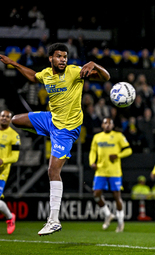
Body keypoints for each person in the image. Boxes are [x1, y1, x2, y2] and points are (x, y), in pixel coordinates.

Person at [0, 43, 110, 236]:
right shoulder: (46, 74)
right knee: (16, 119)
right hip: (51, 120)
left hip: (66, 129)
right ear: (50, 58)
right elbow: (34, 77)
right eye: (59, 56)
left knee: (53, 170)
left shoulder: (75, 72)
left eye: (65, 57)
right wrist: (12, 63)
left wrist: (94, 64)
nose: (63, 60)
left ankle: (53, 220)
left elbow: (106, 77)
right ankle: (48, 133)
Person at [89, 117, 132, 232]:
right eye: (105, 123)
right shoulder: (97, 137)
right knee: (96, 194)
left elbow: (128, 150)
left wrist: (117, 155)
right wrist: (92, 162)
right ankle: (108, 214)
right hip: (101, 170)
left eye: (110, 123)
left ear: (113, 126)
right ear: (102, 125)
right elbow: (93, 151)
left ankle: (120, 223)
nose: (107, 125)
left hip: (114, 171)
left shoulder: (118, 136)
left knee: (117, 196)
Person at [0, 110, 20, 235]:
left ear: (10, 119)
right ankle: (9, 217)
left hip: (2, 173)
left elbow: (15, 157)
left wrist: (3, 160)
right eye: (2, 116)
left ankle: (9, 217)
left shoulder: (14, 135)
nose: (4, 118)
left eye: (7, 117)